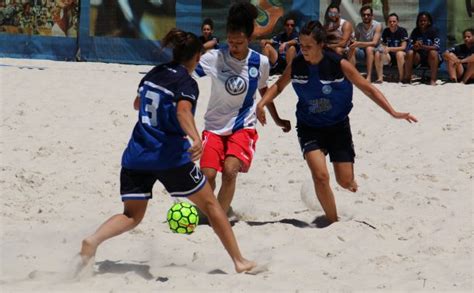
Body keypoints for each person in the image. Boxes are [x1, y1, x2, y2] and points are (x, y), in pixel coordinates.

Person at [78, 28, 256, 274]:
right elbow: (183, 111)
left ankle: (93, 240)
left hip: (137, 154)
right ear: (195, 57)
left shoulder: (154, 72)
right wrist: (196, 138)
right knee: (213, 206)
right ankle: (239, 261)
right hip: (169, 158)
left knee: (131, 216)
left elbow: (137, 104)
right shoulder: (187, 82)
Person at [256, 21, 417, 224]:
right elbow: (278, 86)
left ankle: (349, 180)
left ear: (321, 45)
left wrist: (393, 112)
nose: (303, 50)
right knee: (321, 176)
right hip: (309, 126)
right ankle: (333, 222)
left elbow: (368, 88)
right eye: (301, 46)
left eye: (308, 46)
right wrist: (261, 104)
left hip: (338, 126)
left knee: (344, 181)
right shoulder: (297, 64)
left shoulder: (338, 64)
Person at [194, 2, 290, 215]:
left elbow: (265, 91)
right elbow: (186, 72)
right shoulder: (215, 57)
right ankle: (210, 212)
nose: (233, 46)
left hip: (242, 125)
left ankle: (219, 217)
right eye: (230, 41)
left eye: (238, 42)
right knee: (208, 174)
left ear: (250, 38)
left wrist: (277, 118)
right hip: (214, 125)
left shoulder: (260, 62)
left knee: (230, 171)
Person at [403, 12, 442, 85]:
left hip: (431, 58)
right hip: (419, 58)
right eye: (420, 21)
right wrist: (415, 46)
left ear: (429, 22)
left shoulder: (434, 31)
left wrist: (422, 46)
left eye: (424, 21)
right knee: (410, 52)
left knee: (433, 52)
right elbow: (409, 46)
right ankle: (407, 78)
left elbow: (437, 47)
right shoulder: (415, 31)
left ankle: (433, 79)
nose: (422, 22)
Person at [349, 5, 383, 83]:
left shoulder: (377, 25)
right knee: (351, 48)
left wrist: (359, 43)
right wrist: (353, 42)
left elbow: (374, 43)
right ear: (361, 16)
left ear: (372, 16)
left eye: (368, 15)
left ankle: (369, 76)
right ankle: (352, 75)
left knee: (369, 48)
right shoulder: (359, 26)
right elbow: (355, 41)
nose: (366, 16)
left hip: (377, 51)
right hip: (363, 51)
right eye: (364, 15)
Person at [376, 13, 408, 82]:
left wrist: (390, 49)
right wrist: (383, 48)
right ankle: (380, 78)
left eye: (394, 21)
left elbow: (403, 47)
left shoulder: (402, 31)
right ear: (387, 22)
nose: (392, 23)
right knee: (378, 53)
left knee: (399, 54)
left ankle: (401, 78)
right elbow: (383, 45)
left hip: (401, 56)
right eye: (390, 22)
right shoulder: (386, 31)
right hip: (389, 57)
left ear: (397, 22)